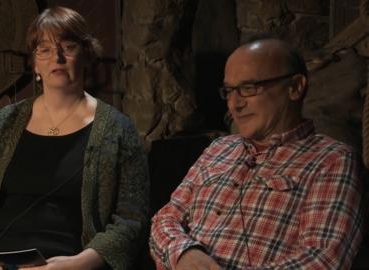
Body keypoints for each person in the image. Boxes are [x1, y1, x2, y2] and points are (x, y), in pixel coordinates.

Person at [0, 6, 149, 270]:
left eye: (68, 47)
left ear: (86, 55)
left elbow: (132, 220)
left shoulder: (119, 130)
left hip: (70, 263)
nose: (57, 58)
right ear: (35, 64)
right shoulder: (4, 123)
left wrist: (80, 264)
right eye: (45, 50)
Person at [149, 37, 364, 269]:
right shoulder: (219, 148)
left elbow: (322, 259)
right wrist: (184, 253)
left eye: (248, 88)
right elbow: (165, 219)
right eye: (230, 91)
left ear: (295, 87)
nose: (235, 104)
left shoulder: (331, 160)